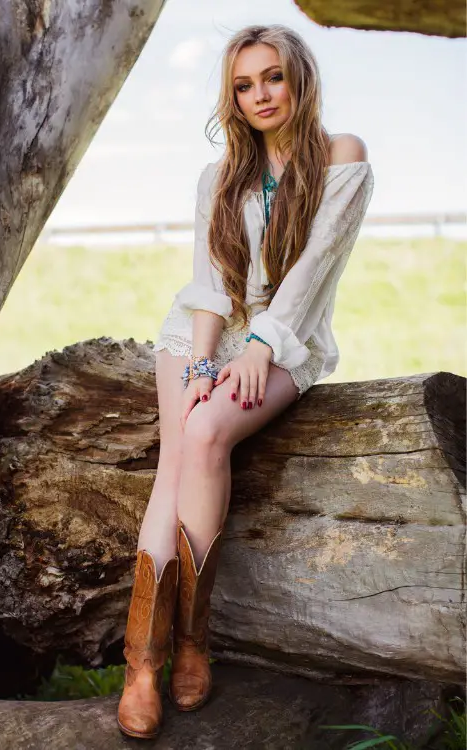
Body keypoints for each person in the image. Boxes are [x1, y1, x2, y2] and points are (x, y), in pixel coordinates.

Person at [117, 23, 374, 740]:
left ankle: (195, 641)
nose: (260, 94)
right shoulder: (218, 176)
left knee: (204, 435)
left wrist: (260, 344)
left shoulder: (342, 158)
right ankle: (143, 662)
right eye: (243, 84)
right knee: (174, 464)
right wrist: (203, 364)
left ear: (299, 79)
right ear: (231, 96)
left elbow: (312, 274)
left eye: (272, 77)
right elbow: (208, 286)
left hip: (287, 342)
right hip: (199, 335)